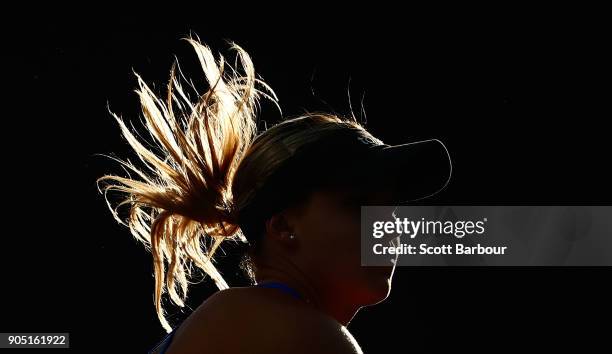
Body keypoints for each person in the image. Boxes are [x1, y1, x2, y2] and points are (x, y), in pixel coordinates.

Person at [97, 36, 452, 354]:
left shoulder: (235, 319)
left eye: (389, 209)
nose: (389, 228)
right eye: (357, 206)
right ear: (282, 226)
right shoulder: (305, 335)